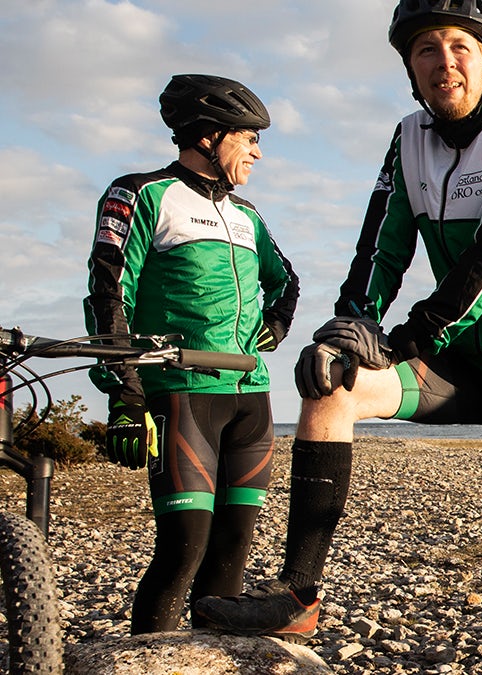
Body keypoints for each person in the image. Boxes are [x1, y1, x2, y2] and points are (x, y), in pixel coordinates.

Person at [192, 2, 482, 672]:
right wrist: (348, 328)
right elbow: (380, 249)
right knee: (331, 385)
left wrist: (408, 334)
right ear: (410, 68)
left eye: (460, 46)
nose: (445, 62)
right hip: (461, 360)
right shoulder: (407, 139)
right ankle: (300, 591)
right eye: (427, 50)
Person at [84, 73, 299, 634]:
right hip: (181, 395)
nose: (258, 151)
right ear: (208, 136)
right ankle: (144, 660)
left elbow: (286, 281)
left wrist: (273, 324)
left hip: (251, 398)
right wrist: (126, 399)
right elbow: (110, 295)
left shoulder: (247, 214)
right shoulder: (142, 193)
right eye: (249, 137)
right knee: (184, 550)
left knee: (233, 552)